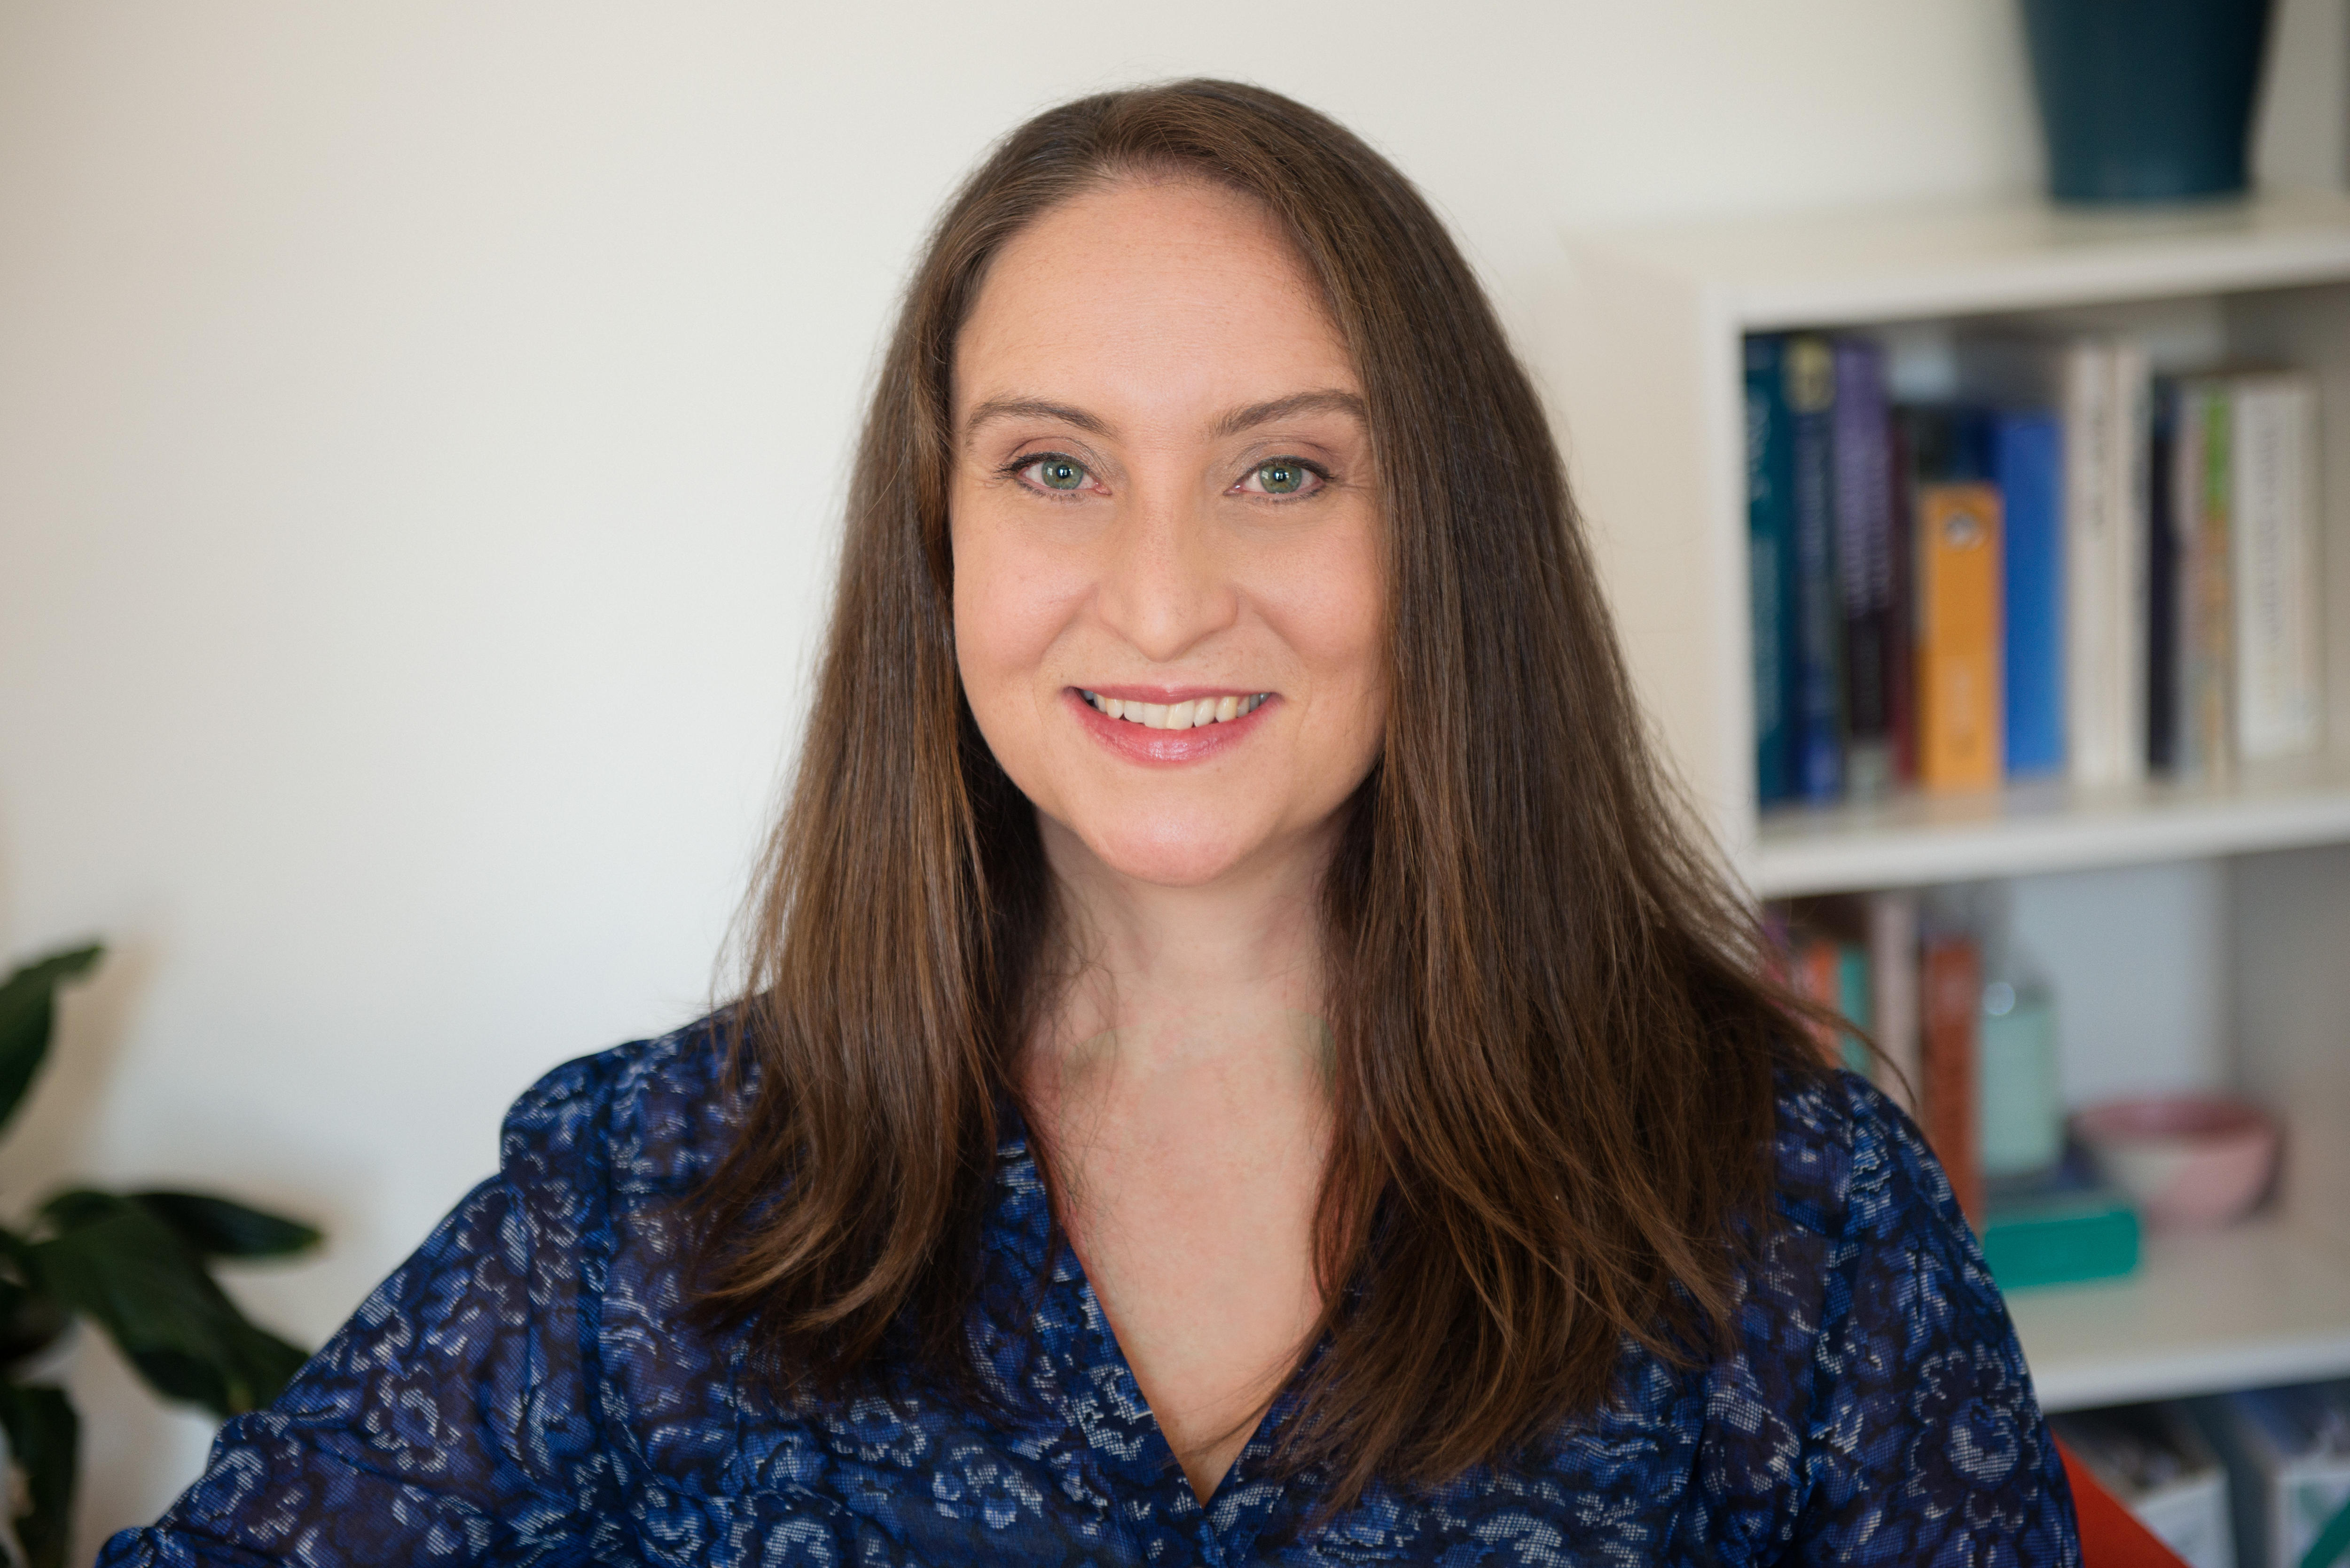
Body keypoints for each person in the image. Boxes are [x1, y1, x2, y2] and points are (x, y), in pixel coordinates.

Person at [101, 80, 2079, 1565]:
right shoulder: (645, 1208)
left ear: (1449, 548)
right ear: (938, 540)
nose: (1156, 599)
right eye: (1053, 467)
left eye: (1285, 471)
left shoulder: (1794, 1223)